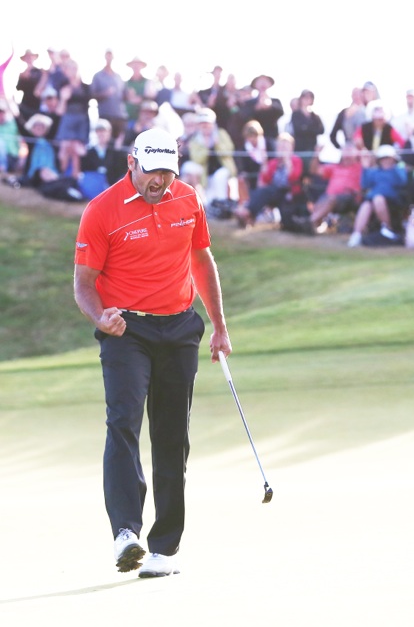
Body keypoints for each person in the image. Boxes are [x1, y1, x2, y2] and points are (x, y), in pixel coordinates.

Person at [73, 127, 232, 578]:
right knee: (123, 420)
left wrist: (219, 326)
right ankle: (126, 532)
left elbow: (201, 261)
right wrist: (101, 318)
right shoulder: (101, 211)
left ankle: (164, 549)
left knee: (171, 436)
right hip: (127, 328)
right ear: (131, 163)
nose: (159, 182)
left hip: (180, 326)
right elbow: (84, 284)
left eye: (167, 172)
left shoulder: (187, 200)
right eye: (151, 172)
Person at [234, 132, 305, 229]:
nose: (283, 149)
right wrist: (264, 167)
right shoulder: (273, 163)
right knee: (265, 191)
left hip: (289, 194)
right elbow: (265, 181)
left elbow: (293, 178)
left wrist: (287, 162)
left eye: (285, 147)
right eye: (281, 147)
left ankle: (247, 212)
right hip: (273, 193)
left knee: (269, 191)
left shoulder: (296, 161)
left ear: (291, 148)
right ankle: (248, 213)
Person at [295, 143, 363, 234]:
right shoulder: (335, 167)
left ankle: (309, 222)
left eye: (350, 150)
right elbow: (314, 171)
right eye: (345, 150)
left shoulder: (360, 167)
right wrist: (317, 154)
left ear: (356, 153)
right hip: (329, 197)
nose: (347, 153)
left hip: (350, 198)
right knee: (322, 200)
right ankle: (312, 227)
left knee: (330, 198)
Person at [348, 144, 408, 247]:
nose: (386, 161)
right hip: (373, 198)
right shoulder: (374, 172)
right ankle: (356, 234)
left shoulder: (398, 170)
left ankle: (387, 228)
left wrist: (395, 167)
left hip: (392, 200)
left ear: (393, 159)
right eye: (383, 158)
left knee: (378, 199)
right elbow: (364, 184)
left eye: (388, 158)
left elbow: (403, 181)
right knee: (366, 205)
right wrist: (365, 168)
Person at [188, 107, 238, 206]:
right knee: (209, 199)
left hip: (223, 169)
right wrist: (206, 148)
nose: (205, 126)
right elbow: (196, 159)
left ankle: (222, 204)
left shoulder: (221, 134)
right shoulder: (195, 139)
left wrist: (217, 144)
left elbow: (229, 150)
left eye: (207, 123)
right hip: (205, 174)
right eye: (202, 124)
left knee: (219, 177)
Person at [54, 59, 91, 177]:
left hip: (82, 121)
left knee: (76, 151)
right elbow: (59, 111)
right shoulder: (62, 86)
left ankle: (75, 179)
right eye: (69, 69)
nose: (72, 71)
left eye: (74, 68)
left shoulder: (85, 87)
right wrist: (63, 98)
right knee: (64, 149)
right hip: (68, 120)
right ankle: (63, 177)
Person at [240, 75, 284, 153]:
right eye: (260, 81)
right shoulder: (249, 103)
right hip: (253, 141)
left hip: (271, 139)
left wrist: (270, 106)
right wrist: (257, 108)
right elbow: (244, 116)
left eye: (265, 81)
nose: (263, 84)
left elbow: (280, 113)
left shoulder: (275, 101)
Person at [90, 49, 128, 140]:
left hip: (119, 116)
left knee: (118, 144)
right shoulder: (98, 76)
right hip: (105, 115)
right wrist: (105, 93)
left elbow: (123, 96)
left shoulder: (118, 77)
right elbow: (92, 95)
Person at [289, 89, 325, 171]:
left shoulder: (315, 116)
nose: (307, 100)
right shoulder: (296, 114)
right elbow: (298, 130)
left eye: (310, 98)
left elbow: (321, 130)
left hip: (312, 149)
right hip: (300, 149)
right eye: (305, 97)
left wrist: (305, 128)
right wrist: (311, 129)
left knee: (311, 170)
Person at [15, 49, 43, 121]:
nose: (29, 59)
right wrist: (23, 78)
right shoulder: (22, 74)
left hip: (37, 104)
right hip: (25, 104)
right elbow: (18, 88)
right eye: (27, 57)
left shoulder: (39, 72)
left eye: (30, 57)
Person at [124, 56, 150, 123]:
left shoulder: (147, 82)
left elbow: (151, 96)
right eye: (134, 64)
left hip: (144, 120)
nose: (136, 66)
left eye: (138, 64)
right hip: (129, 117)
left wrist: (140, 99)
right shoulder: (126, 83)